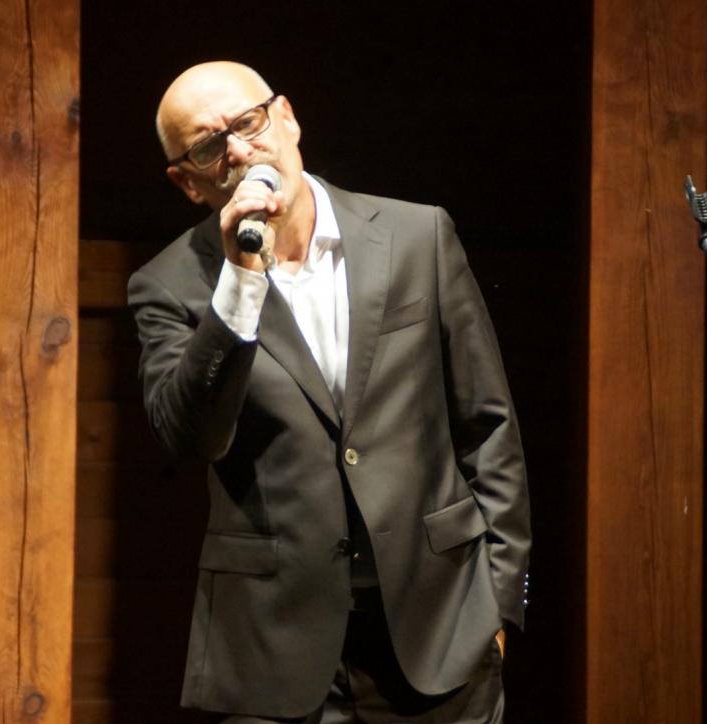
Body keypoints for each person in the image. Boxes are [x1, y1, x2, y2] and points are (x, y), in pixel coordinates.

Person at [127, 61, 531, 723]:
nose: (238, 151)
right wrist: (239, 282)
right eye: (207, 147)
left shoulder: (417, 237)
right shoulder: (168, 286)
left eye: (248, 123)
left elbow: (489, 427)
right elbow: (191, 438)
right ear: (188, 182)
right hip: (271, 650)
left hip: (439, 632)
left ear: (286, 118)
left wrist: (500, 601)